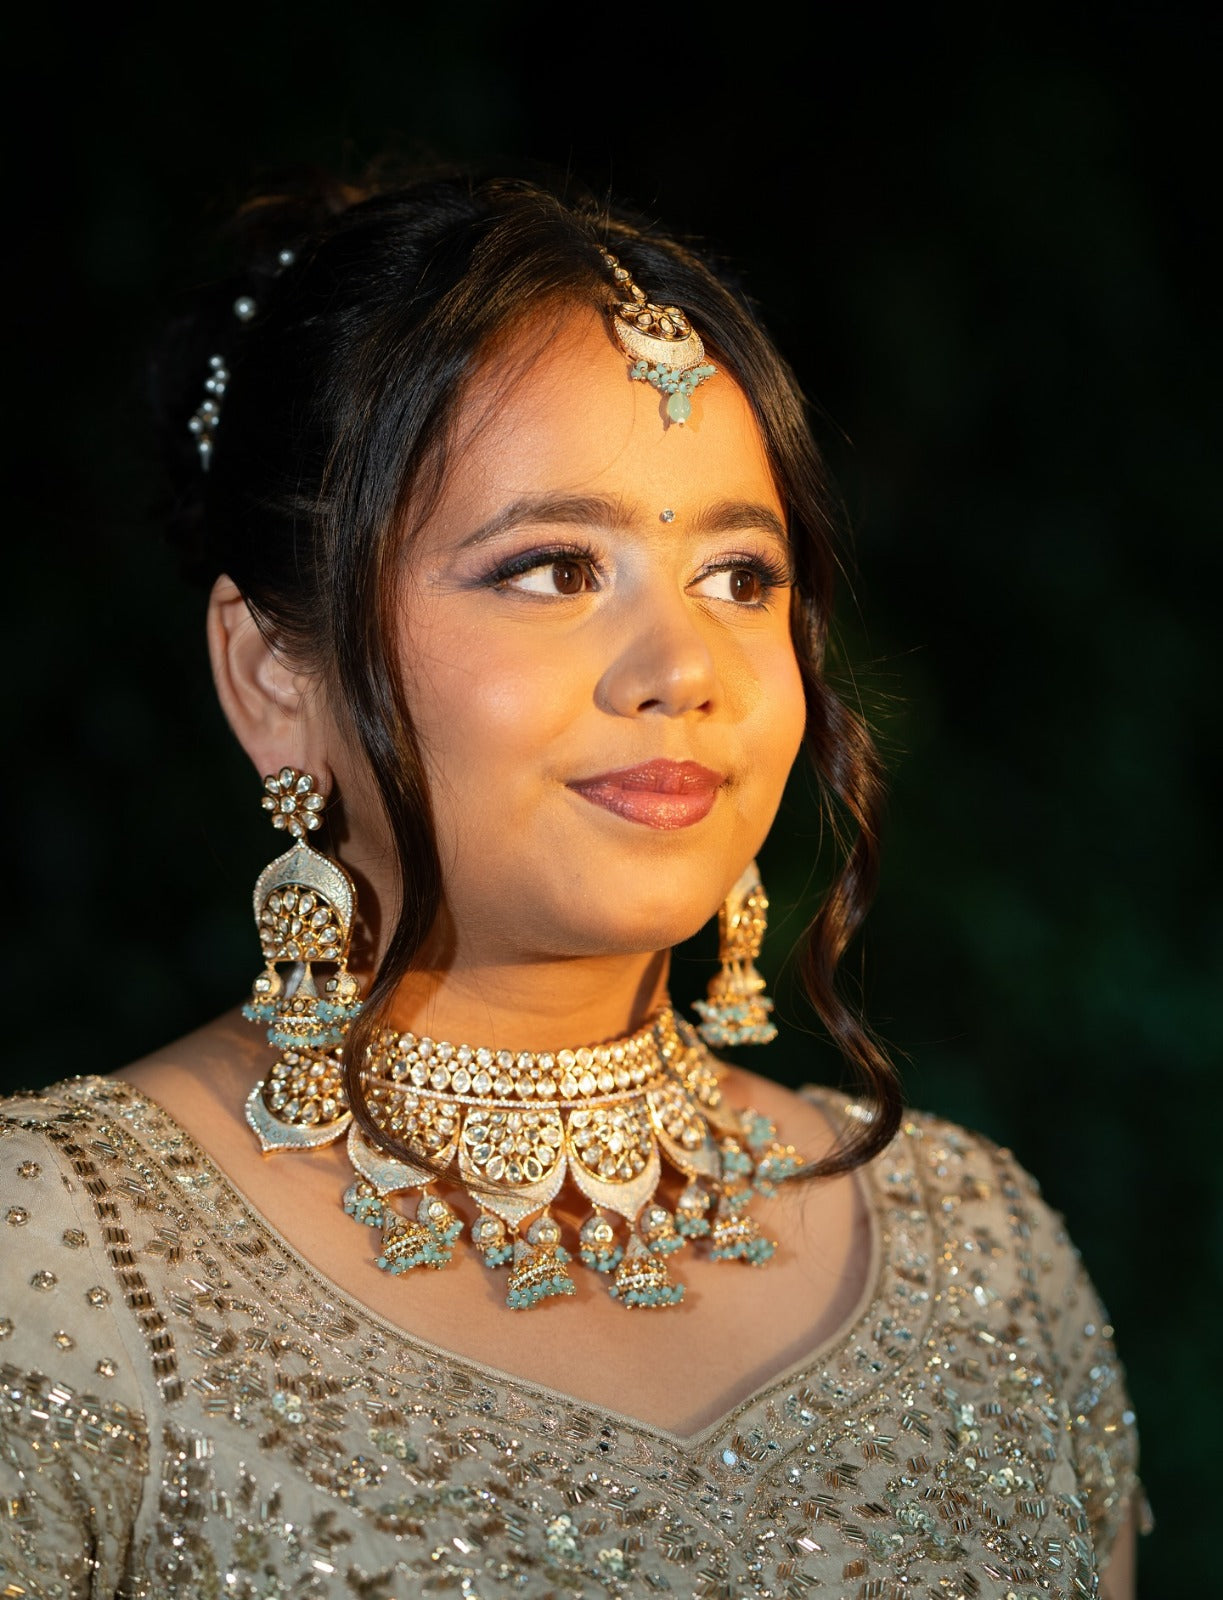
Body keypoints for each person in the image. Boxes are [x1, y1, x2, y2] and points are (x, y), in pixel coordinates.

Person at [0, 170, 1142, 1598]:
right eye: (551, 569)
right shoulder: (57, 1264)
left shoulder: (984, 1258)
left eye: (741, 574)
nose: (684, 672)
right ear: (274, 676)